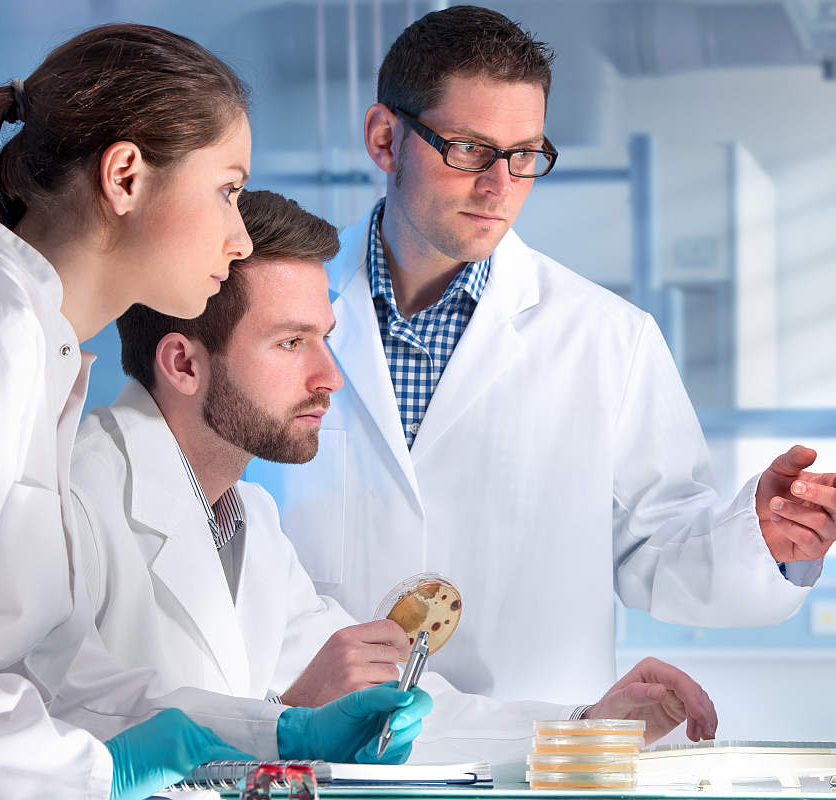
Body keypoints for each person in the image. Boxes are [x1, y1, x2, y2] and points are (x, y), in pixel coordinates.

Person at [280, 5, 836, 705]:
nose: (499, 187)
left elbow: (658, 545)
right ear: (385, 138)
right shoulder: (272, 313)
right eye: (468, 149)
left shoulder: (607, 340)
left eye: (524, 155)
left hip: (529, 760)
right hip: (308, 748)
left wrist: (762, 543)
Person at [0, 26, 426, 800]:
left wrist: (272, 731)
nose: (238, 233)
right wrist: (100, 774)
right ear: (125, 177)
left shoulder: (37, 346)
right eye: (228, 190)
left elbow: (55, 676)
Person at [67, 189, 720, 770]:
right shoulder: (71, 499)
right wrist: (289, 721)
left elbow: (393, 711)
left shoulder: (249, 521)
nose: (330, 375)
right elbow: (43, 735)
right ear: (183, 362)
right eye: (291, 343)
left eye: (326, 337)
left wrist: (587, 728)